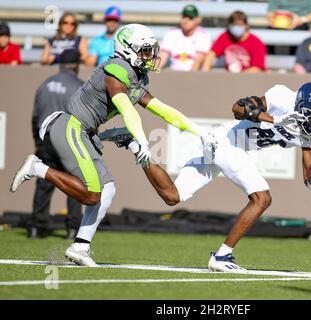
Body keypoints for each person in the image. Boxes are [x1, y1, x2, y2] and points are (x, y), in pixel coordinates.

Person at [11, 24, 214, 267]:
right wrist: (142, 142)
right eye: (145, 51)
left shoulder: (137, 74)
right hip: (70, 126)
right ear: (128, 50)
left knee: (107, 191)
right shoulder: (116, 68)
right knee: (91, 194)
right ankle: (38, 168)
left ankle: (80, 247)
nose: (150, 56)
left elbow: (164, 110)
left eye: (151, 51)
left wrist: (200, 131)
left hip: (85, 132)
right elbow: (126, 108)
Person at [101, 81, 311, 272]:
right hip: (225, 142)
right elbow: (237, 108)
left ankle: (132, 144)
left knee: (172, 196)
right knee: (262, 198)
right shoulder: (282, 97)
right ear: (300, 104)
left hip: (228, 148)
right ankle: (223, 256)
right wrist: (274, 119)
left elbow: (309, 165)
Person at [30, 48, 83, 239]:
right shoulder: (79, 86)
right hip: (68, 141)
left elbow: (35, 116)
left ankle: (37, 227)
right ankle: (73, 229)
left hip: (46, 140)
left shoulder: (45, 84)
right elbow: (86, 119)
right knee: (75, 184)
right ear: (77, 65)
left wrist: (38, 141)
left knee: (44, 182)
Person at [202, 11, 266, 73]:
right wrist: (205, 71)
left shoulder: (256, 43)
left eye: (240, 25)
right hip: (229, 77)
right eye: (234, 25)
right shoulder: (225, 36)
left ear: (246, 26)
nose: (237, 27)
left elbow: (257, 68)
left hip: (249, 78)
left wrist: (239, 78)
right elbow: (211, 54)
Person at [159, 4, 211, 71]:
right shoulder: (171, 33)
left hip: (193, 76)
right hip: (172, 74)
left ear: (198, 19)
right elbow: (162, 58)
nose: (186, 20)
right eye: (184, 17)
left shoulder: (203, 35)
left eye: (190, 18)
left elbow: (197, 63)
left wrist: (188, 79)